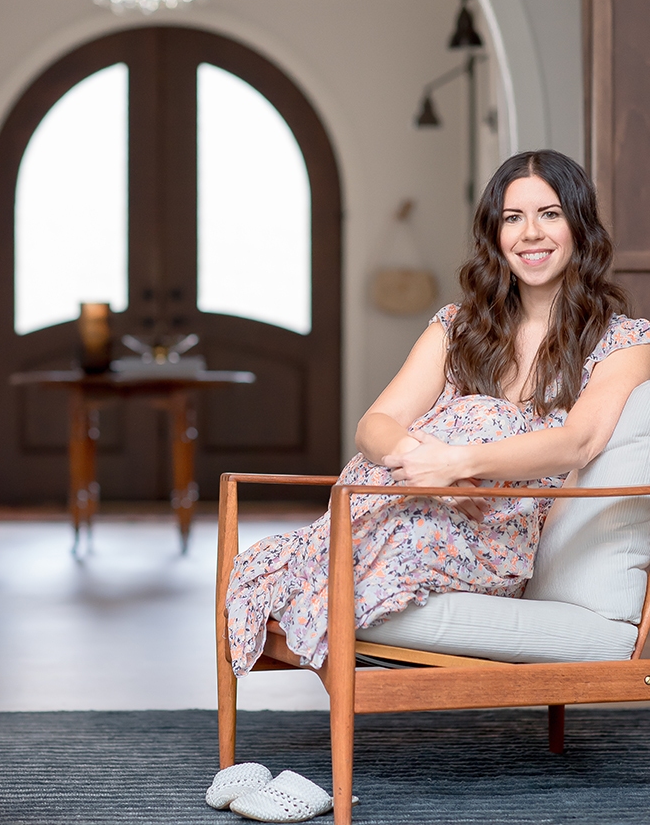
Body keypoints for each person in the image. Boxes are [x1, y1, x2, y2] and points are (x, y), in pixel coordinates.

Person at [226, 149, 650, 679]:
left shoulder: (624, 340)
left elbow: (579, 442)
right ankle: (325, 564)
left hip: (498, 527)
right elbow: (374, 426)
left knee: (478, 422)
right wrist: (421, 465)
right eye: (512, 218)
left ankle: (328, 574)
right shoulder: (457, 327)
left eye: (550, 214)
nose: (530, 234)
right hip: (417, 496)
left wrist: (454, 463)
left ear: (580, 226)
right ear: (495, 234)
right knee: (333, 536)